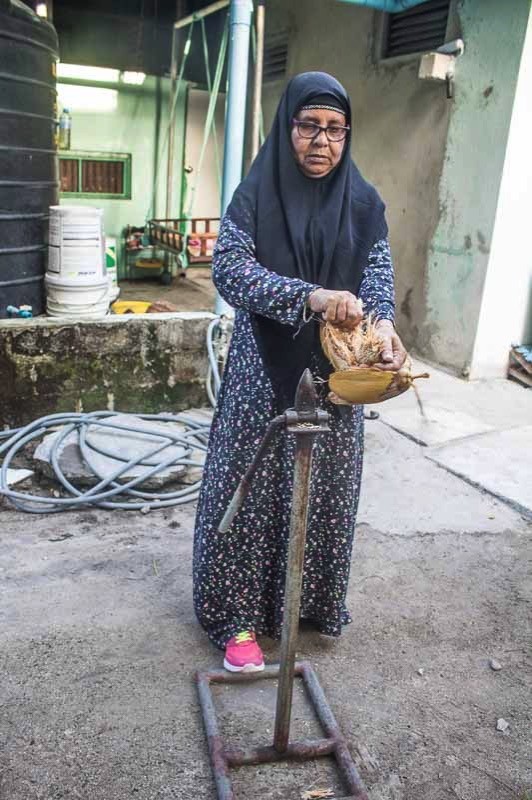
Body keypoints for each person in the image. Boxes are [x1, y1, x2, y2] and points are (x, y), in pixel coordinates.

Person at [193, 71, 406, 672]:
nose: (323, 141)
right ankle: (236, 619)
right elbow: (231, 272)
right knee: (252, 484)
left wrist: (383, 325)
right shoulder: (255, 195)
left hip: (340, 378)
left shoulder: (364, 203)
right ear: (288, 126)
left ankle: (308, 603)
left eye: (336, 129)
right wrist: (309, 296)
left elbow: (378, 277)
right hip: (265, 369)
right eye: (310, 125)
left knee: (327, 493)